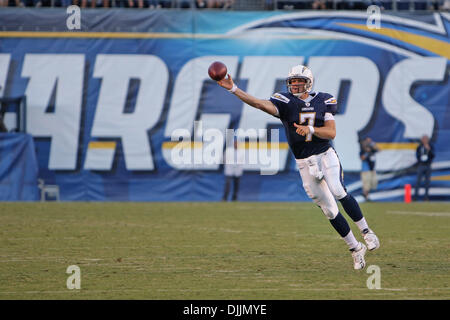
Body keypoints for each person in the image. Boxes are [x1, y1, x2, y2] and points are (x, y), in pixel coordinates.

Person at [216, 65, 379, 270]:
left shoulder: (324, 100)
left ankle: (366, 232)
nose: (295, 85)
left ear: (308, 83)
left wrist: (310, 129)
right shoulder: (285, 102)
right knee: (329, 211)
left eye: (299, 81)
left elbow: (331, 133)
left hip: (325, 154)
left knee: (338, 189)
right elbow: (259, 104)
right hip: (304, 162)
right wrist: (234, 89)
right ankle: (356, 249)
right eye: (292, 81)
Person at [414, 135, 434, 201]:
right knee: (418, 181)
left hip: (428, 165)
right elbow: (417, 155)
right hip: (421, 165)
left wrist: (429, 150)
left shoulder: (430, 146)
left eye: (426, 139)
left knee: (427, 182)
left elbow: (433, 155)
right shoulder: (419, 147)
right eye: (424, 139)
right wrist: (420, 161)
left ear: (428, 140)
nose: (425, 140)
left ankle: (426, 197)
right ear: (422, 140)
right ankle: (415, 197)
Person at [359, 137, 378, 201]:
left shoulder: (372, 150)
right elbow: (362, 158)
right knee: (366, 184)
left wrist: (372, 145)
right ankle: (366, 196)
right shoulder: (363, 150)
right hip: (365, 170)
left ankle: (366, 195)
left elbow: (378, 150)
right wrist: (367, 152)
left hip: (372, 169)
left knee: (372, 184)